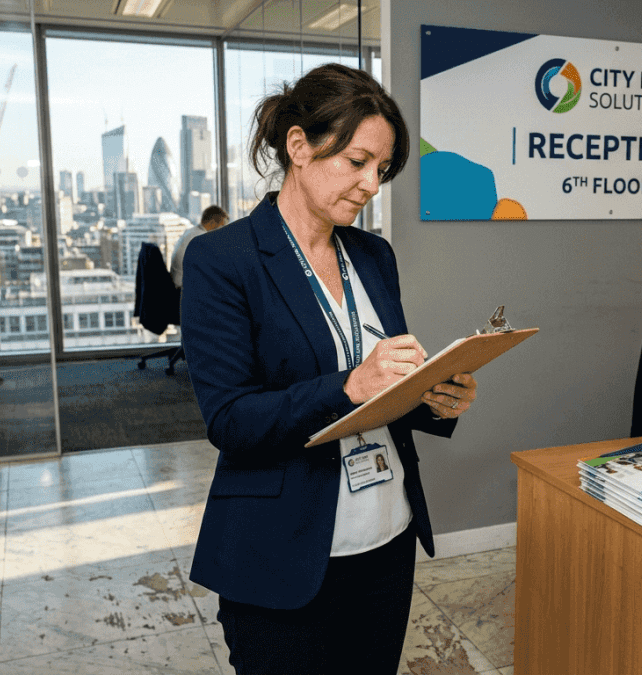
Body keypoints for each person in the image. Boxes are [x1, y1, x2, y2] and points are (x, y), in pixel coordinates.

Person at [180, 63, 479, 674]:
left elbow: (384, 381)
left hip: (386, 544)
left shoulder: (372, 255)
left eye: (382, 169)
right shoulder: (223, 259)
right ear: (298, 146)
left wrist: (435, 395)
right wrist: (348, 385)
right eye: (357, 162)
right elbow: (230, 419)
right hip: (280, 555)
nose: (372, 184)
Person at [170, 204, 229, 289]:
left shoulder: (192, 232)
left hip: (178, 284)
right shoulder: (201, 238)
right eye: (221, 226)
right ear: (212, 223)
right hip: (183, 289)